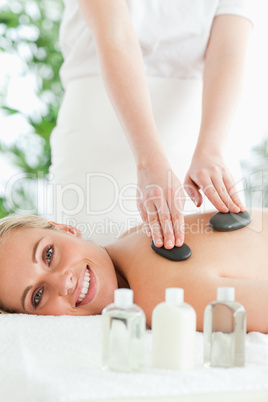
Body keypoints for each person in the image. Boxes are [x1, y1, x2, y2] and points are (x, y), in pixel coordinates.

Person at [48, 0, 253, 247]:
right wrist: (148, 160)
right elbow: (115, 35)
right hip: (103, 119)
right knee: (94, 253)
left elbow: (227, 52)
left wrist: (211, 150)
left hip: (205, 126)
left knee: (222, 262)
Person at [0, 208, 267, 333]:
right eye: (37, 296)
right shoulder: (132, 239)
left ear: (66, 229)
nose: (63, 282)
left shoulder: (157, 294)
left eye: (48, 254)